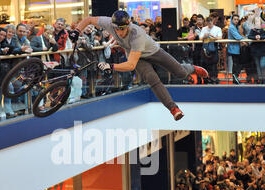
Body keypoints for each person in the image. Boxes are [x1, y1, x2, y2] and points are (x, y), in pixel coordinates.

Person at [69, 10, 209, 121]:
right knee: (151, 78)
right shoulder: (109, 23)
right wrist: (77, 31)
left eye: (122, 29)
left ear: (128, 26)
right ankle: (173, 109)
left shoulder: (137, 35)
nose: (119, 32)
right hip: (138, 57)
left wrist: (111, 66)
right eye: (116, 29)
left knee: (180, 73)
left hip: (153, 51)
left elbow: (130, 65)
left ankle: (193, 68)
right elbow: (88, 19)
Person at [248, 16, 265, 84]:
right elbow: (249, 36)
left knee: (262, 65)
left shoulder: (264, 28)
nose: (257, 22)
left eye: (259, 21)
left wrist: (261, 37)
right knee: (257, 65)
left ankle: (264, 79)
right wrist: (255, 37)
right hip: (255, 50)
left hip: (264, 50)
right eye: (256, 21)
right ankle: (260, 79)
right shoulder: (253, 29)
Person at [199, 16, 222, 84]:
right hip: (205, 49)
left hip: (214, 49)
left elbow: (220, 37)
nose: (209, 24)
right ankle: (206, 79)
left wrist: (214, 37)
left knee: (214, 65)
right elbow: (200, 38)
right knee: (205, 64)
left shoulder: (218, 29)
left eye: (210, 22)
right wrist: (204, 36)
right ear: (206, 22)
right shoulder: (204, 29)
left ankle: (214, 79)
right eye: (208, 22)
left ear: (213, 22)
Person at [228, 14, 246, 84]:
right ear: (232, 20)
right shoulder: (231, 27)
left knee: (237, 64)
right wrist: (245, 40)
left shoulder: (236, 27)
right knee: (236, 65)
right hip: (233, 49)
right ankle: (235, 79)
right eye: (234, 19)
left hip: (236, 48)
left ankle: (235, 79)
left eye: (237, 19)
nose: (236, 21)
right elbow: (237, 36)